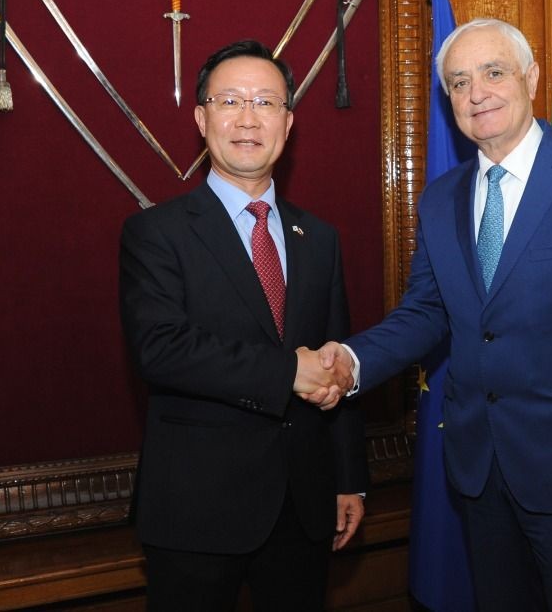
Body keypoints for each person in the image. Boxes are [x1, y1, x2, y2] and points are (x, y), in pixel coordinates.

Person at [319, 18, 552, 611]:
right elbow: (427, 311)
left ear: (530, 79)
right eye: (459, 82)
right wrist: (351, 361)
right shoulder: (440, 198)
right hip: (478, 465)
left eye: (493, 72)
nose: (477, 92)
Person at [119, 39, 368, 612]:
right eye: (230, 101)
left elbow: (337, 357)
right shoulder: (156, 233)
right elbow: (160, 349)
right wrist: (287, 372)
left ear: (288, 122)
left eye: (266, 102)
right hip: (196, 510)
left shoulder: (319, 238)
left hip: (304, 507)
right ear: (201, 119)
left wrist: (348, 477)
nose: (248, 119)